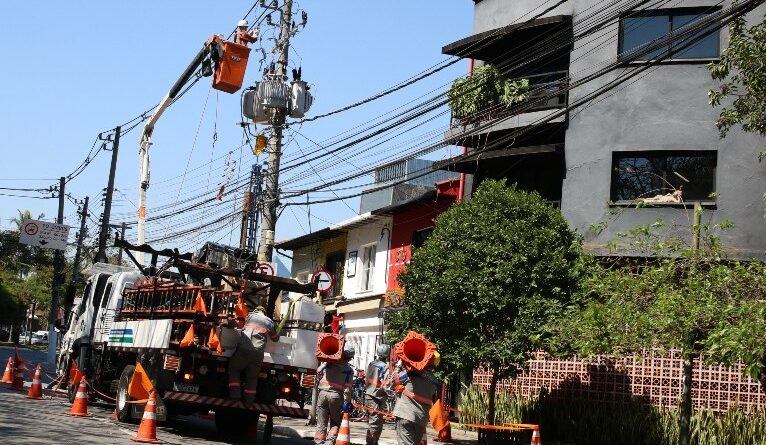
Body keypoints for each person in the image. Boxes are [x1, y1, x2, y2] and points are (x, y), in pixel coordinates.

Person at [228, 306, 279, 407]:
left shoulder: (249, 316)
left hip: (243, 350)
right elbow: (275, 339)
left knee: (234, 369)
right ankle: (248, 402)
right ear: (264, 313)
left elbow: (238, 326)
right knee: (252, 377)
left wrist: (230, 322)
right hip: (258, 353)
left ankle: (235, 395)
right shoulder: (269, 321)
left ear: (255, 311)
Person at [392, 353, 440, 445]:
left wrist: (398, 366)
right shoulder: (435, 381)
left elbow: (392, 382)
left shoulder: (409, 374)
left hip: (405, 414)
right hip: (421, 418)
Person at [314, 345, 355, 445]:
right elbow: (347, 389)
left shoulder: (328, 364)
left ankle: (319, 442)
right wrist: (347, 402)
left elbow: (318, 371)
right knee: (336, 422)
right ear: (349, 358)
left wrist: (325, 363)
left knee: (321, 422)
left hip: (322, 394)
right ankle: (329, 442)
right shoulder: (348, 370)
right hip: (336, 396)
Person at [364, 344, 392, 445]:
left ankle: (373, 442)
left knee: (375, 422)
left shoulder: (371, 364)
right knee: (375, 423)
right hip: (376, 397)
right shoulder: (385, 367)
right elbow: (385, 384)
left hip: (369, 395)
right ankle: (371, 443)